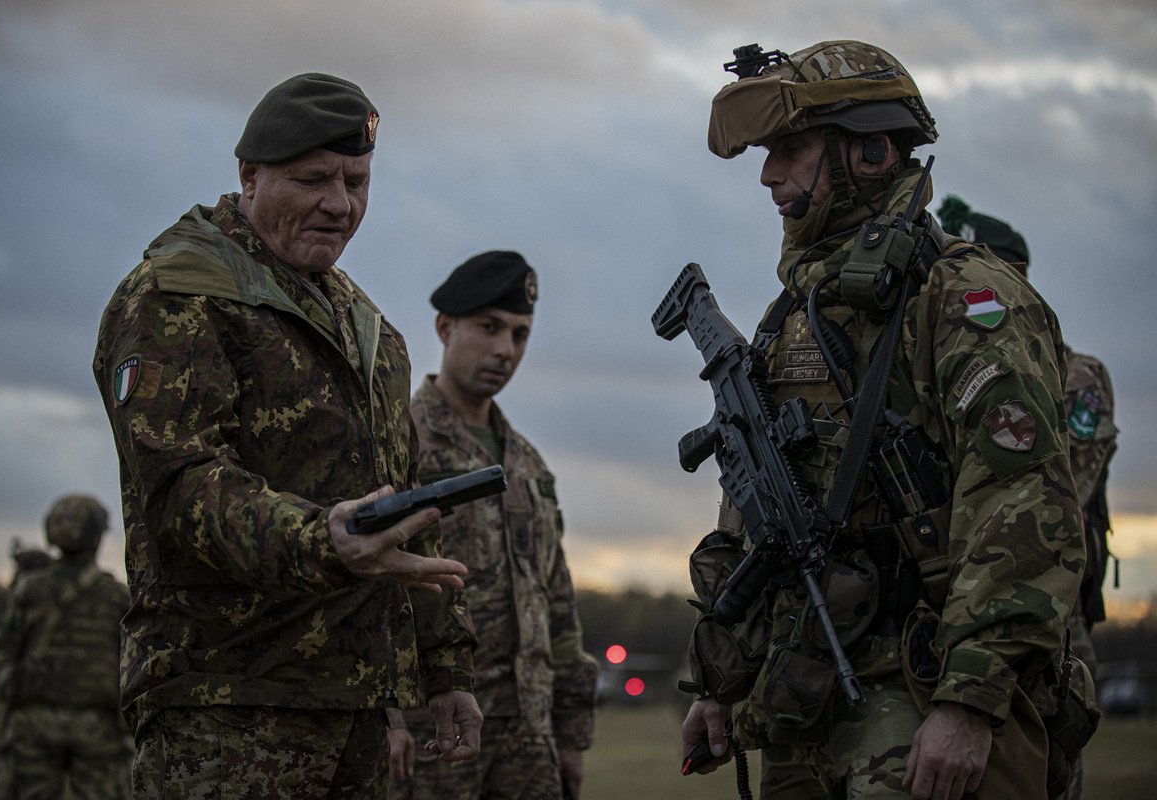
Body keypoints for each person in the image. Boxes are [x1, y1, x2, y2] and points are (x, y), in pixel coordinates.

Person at [677, 41, 1085, 800]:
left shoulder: (963, 299)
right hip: (804, 691)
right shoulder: (792, 316)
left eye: (790, 150)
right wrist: (720, 679)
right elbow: (758, 517)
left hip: (920, 690)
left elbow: (1024, 511)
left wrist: (969, 700)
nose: (769, 175)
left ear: (869, 152)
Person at [92, 72, 481, 798]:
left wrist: (444, 666)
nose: (340, 205)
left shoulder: (362, 323)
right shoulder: (180, 296)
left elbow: (404, 509)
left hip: (355, 703)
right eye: (312, 181)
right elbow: (179, 488)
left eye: (357, 182)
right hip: (228, 702)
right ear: (249, 175)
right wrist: (320, 539)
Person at [387, 251, 599, 800]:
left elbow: (557, 601)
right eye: (489, 328)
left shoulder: (526, 465)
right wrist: (385, 716)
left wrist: (570, 734)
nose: (506, 350)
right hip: (435, 729)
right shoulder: (398, 446)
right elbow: (363, 589)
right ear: (444, 326)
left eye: (520, 335)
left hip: (528, 737)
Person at [937, 195, 1119, 800]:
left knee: (1048, 767)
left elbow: (1065, 480)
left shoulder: (1077, 375)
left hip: (1053, 603)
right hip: (974, 602)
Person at [0, 495, 132, 799]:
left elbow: (5, 650)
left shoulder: (29, 589)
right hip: (98, 725)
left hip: (33, 723)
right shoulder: (116, 595)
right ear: (96, 537)